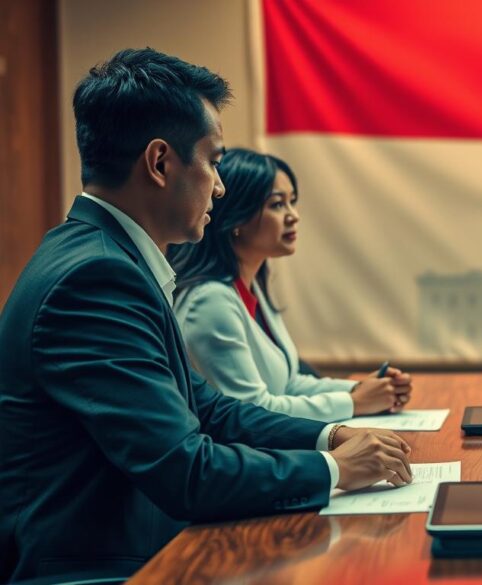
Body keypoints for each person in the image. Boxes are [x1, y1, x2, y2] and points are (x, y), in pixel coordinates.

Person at [0, 48, 413, 582]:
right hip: (98, 571)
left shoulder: (108, 257)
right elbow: (184, 469)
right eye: (214, 160)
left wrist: (328, 437)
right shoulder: (96, 279)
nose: (220, 185)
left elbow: (209, 409)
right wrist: (335, 469)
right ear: (160, 162)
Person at [168, 148, 411, 421]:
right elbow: (250, 411)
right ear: (237, 217)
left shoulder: (251, 287)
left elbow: (289, 384)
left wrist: (363, 389)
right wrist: (354, 402)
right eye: (277, 204)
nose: (293, 215)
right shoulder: (210, 302)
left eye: (292, 202)